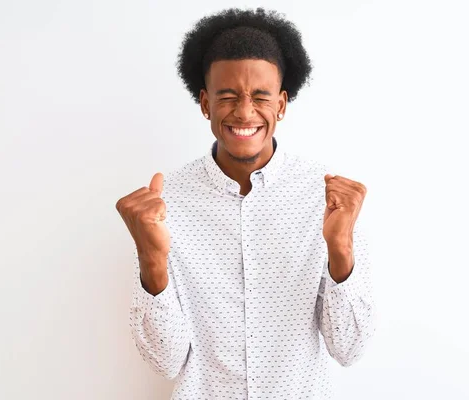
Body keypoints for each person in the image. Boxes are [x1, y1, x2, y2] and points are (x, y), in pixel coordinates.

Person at [115, 7, 376, 399]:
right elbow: (165, 362)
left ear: (282, 105)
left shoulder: (329, 200)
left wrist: (341, 248)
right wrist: (151, 259)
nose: (244, 111)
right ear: (205, 103)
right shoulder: (164, 204)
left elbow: (349, 349)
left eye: (260, 96)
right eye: (228, 96)